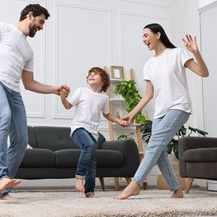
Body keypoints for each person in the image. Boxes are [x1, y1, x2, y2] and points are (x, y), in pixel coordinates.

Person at [0, 0, 70, 200]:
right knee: (3, 116)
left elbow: (29, 83)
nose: (41, 27)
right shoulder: (2, 28)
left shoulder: (28, 50)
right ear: (30, 16)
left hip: (14, 91)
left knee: (21, 140)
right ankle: (2, 177)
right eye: (41, 22)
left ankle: (1, 190)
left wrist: (54, 89)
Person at [115, 23, 209, 200]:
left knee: (155, 143)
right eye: (142, 37)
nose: (143, 40)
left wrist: (195, 52)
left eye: (145, 35)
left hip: (179, 107)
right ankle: (176, 190)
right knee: (157, 150)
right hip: (160, 112)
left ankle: (135, 184)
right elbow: (148, 95)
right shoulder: (149, 64)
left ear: (158, 35)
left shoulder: (178, 53)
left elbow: (204, 73)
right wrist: (131, 114)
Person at [59, 67, 124, 198]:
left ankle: (89, 191)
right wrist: (62, 97)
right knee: (89, 145)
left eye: (95, 74)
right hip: (78, 128)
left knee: (92, 162)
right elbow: (67, 106)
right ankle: (79, 178)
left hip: (93, 132)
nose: (91, 75)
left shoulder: (104, 98)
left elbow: (107, 114)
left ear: (103, 81)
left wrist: (119, 121)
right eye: (89, 74)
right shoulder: (81, 91)